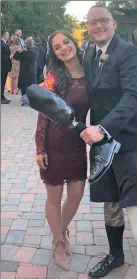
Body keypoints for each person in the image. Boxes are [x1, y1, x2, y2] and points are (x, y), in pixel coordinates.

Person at [81, 4, 137, 278]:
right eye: (93, 22)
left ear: (113, 24)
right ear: (87, 27)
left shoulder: (129, 53)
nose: (98, 26)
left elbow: (132, 97)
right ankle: (116, 255)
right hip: (103, 144)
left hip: (132, 138)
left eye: (103, 20)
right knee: (110, 199)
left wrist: (102, 128)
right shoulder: (90, 52)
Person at [35, 30, 89, 270]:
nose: (63, 48)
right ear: (54, 53)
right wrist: (40, 148)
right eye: (57, 47)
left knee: (76, 194)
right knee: (54, 197)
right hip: (54, 141)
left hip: (78, 142)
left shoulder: (92, 71)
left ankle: (61, 229)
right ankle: (58, 242)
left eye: (66, 42)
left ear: (74, 42)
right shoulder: (53, 75)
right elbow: (43, 111)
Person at [13, 37, 39, 106]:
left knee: (26, 87)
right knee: (25, 87)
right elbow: (15, 57)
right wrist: (18, 51)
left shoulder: (33, 50)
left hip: (28, 72)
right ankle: (25, 100)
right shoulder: (24, 51)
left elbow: (33, 57)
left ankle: (27, 100)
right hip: (28, 72)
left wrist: (23, 51)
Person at [1, 30, 12, 104]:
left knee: (3, 82)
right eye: (7, 35)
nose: (8, 36)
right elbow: (1, 56)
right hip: (2, 66)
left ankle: (2, 96)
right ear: (4, 35)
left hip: (5, 66)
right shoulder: (1, 43)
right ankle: (1, 98)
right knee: (1, 83)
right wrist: (10, 56)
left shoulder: (5, 43)